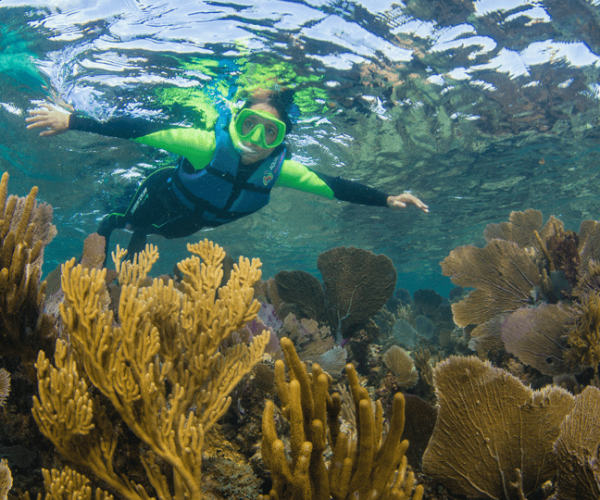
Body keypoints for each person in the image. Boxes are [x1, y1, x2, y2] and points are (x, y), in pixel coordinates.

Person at [26, 89, 428, 259]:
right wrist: (72, 120)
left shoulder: (278, 171)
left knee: (161, 234)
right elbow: (140, 129)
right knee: (122, 219)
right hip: (164, 193)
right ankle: (109, 235)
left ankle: (141, 237)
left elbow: (333, 187)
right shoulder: (203, 145)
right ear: (236, 120)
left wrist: (386, 198)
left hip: (192, 222)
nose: (256, 139)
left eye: (270, 132)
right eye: (250, 124)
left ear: (281, 140)